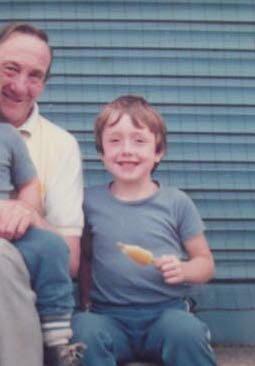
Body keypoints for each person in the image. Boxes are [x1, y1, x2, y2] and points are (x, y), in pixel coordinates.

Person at [72, 95, 217, 365]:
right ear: (102, 153)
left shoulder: (176, 202)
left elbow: (205, 263)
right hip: (108, 317)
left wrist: (184, 270)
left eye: (139, 140)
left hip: (166, 314)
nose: (127, 150)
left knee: (187, 332)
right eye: (114, 140)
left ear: (158, 151)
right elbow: (82, 259)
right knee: (83, 331)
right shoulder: (88, 201)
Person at [0, 23, 85, 366]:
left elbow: (70, 260)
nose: (20, 86)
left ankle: (54, 340)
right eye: (10, 69)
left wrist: (25, 213)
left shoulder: (59, 145)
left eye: (35, 76)